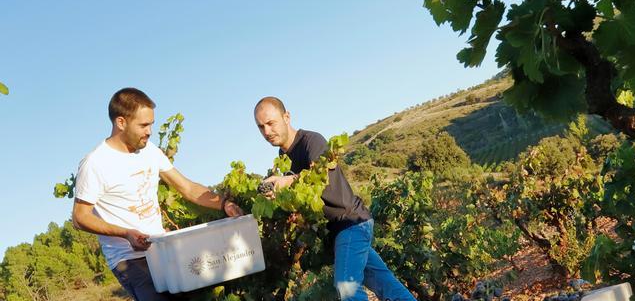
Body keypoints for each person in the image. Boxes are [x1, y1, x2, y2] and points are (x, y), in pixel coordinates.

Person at [72, 87, 243, 301]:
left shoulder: (150, 151)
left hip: (162, 250)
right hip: (129, 259)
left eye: (151, 124)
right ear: (121, 122)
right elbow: (80, 217)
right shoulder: (96, 163)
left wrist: (224, 204)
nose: (149, 131)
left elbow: (187, 187)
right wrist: (126, 233)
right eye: (143, 125)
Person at [254, 96, 416, 301]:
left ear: (286, 117)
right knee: (386, 285)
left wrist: (287, 181)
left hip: (350, 223)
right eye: (261, 127)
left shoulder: (311, 142)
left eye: (271, 123)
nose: (266, 132)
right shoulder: (284, 157)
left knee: (346, 289)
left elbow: (321, 180)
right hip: (338, 230)